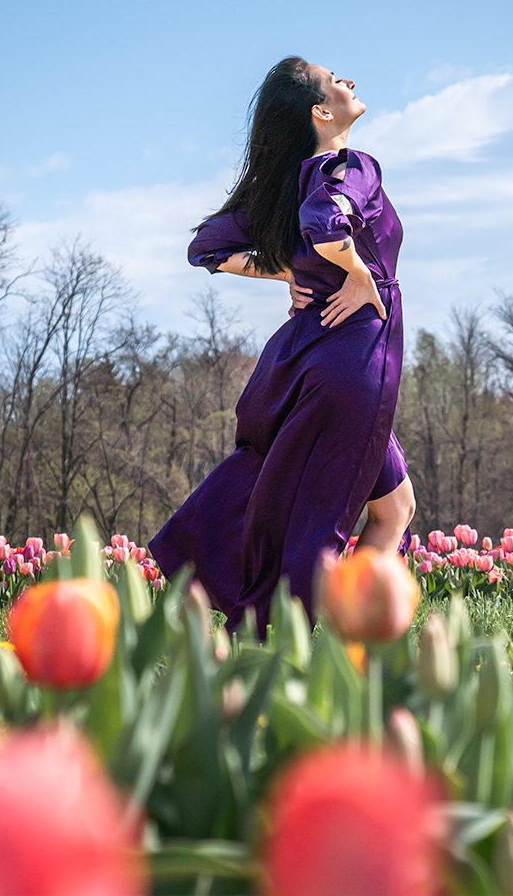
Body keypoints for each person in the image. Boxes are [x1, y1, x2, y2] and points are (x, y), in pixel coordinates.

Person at [149, 57, 415, 631]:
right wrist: (358, 270)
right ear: (322, 112)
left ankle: (333, 635)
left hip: (311, 359)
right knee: (320, 526)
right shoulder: (348, 167)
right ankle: (327, 642)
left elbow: (208, 247)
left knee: (395, 506)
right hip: (354, 362)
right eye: (335, 80)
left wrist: (283, 271)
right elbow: (327, 221)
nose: (349, 80)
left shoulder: (290, 184)